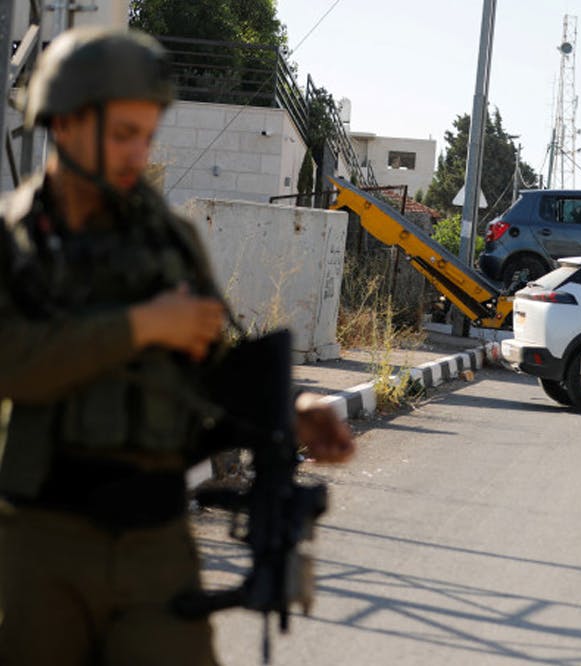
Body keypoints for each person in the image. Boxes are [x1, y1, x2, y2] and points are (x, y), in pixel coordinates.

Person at [0, 27, 354, 665]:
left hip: (155, 537)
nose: (139, 153)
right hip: (39, 541)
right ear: (65, 125)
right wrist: (141, 325)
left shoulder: (169, 242)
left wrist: (289, 411)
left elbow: (209, 362)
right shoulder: (15, 241)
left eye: (147, 133)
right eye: (121, 135)